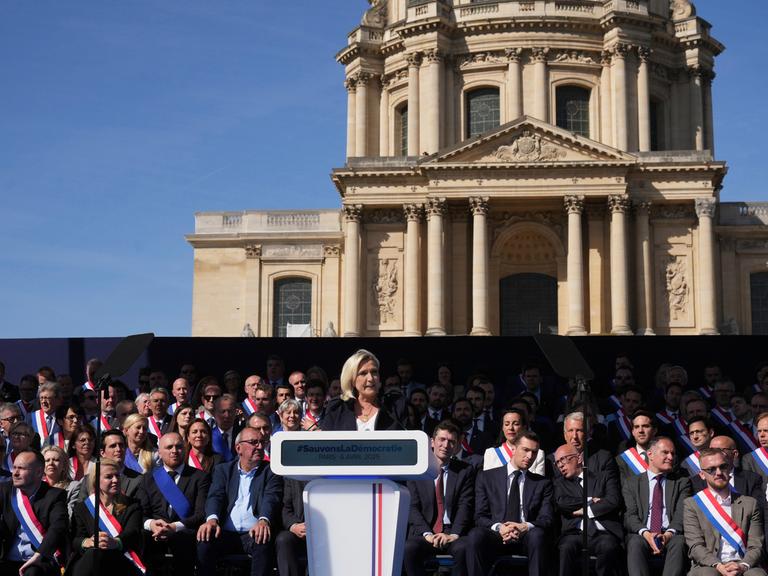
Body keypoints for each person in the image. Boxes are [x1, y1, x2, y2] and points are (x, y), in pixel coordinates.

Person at [196, 427, 283, 576]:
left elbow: (271, 498)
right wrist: (212, 520)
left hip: (253, 534)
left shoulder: (270, 471)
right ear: (238, 448)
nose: (260, 447)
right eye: (254, 442)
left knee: (263, 539)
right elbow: (215, 496)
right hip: (223, 532)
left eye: (262, 442)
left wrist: (264, 520)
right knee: (205, 538)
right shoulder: (223, 470)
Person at [466, 431, 553, 576]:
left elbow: (547, 519)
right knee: (475, 535)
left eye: (534, 452)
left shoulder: (542, 483)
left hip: (527, 536)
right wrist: (500, 527)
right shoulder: (486, 477)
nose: (530, 456)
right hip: (496, 535)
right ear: (513, 449)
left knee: (538, 535)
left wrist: (524, 526)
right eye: (525, 450)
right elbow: (480, 516)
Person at [404, 421, 474, 576]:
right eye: (442, 439)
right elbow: (412, 507)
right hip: (425, 532)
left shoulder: (464, 471)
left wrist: (453, 535)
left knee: (464, 549)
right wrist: (427, 534)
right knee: (409, 548)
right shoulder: (418, 470)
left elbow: (465, 505)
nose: (446, 445)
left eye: (451, 441)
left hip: (453, 532)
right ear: (432, 442)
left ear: (456, 446)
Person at [683, 448, 767, 576]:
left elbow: (756, 545)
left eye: (723, 467)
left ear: (729, 468)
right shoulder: (692, 504)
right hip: (708, 565)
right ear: (701, 474)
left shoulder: (750, 503)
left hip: (744, 564)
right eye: (711, 469)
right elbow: (695, 546)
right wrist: (719, 566)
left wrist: (743, 566)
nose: (718, 472)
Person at [139, 432, 211, 576]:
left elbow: (200, 514)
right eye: (169, 447)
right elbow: (141, 513)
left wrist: (174, 527)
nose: (174, 451)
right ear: (159, 451)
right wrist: (152, 524)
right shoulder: (148, 479)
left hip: (185, 533)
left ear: (185, 449)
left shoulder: (200, 477)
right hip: (154, 534)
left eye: (179, 447)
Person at [622, 437, 692, 576]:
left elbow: (681, 514)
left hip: (670, 534)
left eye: (673, 453)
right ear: (650, 454)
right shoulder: (632, 483)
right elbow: (630, 515)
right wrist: (647, 534)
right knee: (634, 542)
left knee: (679, 542)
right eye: (665, 452)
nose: (670, 457)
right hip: (643, 533)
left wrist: (668, 535)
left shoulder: (682, 482)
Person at [553, 443, 623, 576]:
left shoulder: (603, 477)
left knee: (608, 546)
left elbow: (613, 501)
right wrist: (590, 499)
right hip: (574, 534)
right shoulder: (559, 483)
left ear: (579, 458)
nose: (560, 465)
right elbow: (562, 503)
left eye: (563, 459)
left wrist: (585, 511)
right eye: (557, 462)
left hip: (603, 534)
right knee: (565, 548)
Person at [67, 457, 144, 576]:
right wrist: (87, 542)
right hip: (89, 560)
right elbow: (75, 538)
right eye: (109, 477)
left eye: (117, 476)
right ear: (95, 481)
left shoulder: (132, 505)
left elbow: (133, 533)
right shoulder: (83, 508)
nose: (115, 480)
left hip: (121, 560)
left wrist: (115, 542)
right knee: (93, 554)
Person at [0, 450, 68, 576]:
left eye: (21, 468)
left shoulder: (55, 495)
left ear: (38, 472)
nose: (15, 473)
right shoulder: (4, 490)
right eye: (14, 467)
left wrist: (39, 555)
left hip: (39, 560)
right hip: (6, 559)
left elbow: (58, 527)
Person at [319, 349, 407, 431]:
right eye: (363, 373)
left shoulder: (395, 407)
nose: (370, 378)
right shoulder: (337, 408)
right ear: (351, 379)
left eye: (374, 372)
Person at [483, 408, 545, 475]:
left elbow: (538, 483)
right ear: (502, 428)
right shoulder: (491, 453)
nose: (511, 428)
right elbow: (488, 482)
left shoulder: (538, 454)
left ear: (524, 427)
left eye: (516, 424)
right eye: (507, 424)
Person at [275, 477, 309, 576]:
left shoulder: (329, 474)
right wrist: (294, 526)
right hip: (300, 529)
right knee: (284, 539)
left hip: (326, 531)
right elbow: (285, 508)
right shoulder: (292, 477)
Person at [616, 411, 658, 479]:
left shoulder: (667, 457)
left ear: (654, 431)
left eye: (645, 426)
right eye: (636, 427)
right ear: (633, 432)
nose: (640, 430)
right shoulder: (622, 460)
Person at [41, 445, 80, 517]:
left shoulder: (74, 487)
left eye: (56, 460)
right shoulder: (37, 486)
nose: (51, 463)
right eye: (47, 460)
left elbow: (70, 515)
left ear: (64, 466)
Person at [211, 394, 242, 462]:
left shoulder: (242, 435)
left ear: (235, 413)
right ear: (214, 414)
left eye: (230, 411)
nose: (227, 415)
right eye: (223, 411)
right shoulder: (209, 437)